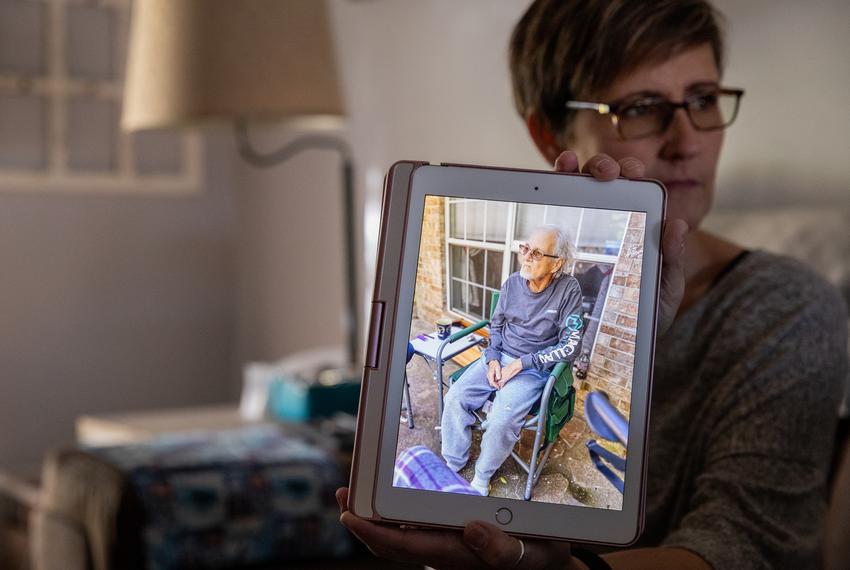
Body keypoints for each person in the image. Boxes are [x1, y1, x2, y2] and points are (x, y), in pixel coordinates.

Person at [337, 0, 849, 568]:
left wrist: (560, 568)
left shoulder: (786, 311)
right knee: (458, 396)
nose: (687, 141)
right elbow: (503, 323)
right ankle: (454, 483)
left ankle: (480, 480)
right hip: (504, 362)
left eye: (703, 100)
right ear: (546, 130)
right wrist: (498, 354)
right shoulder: (513, 282)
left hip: (532, 377)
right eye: (641, 108)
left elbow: (745, 550)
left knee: (506, 414)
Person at [441, 225, 584, 496]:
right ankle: (454, 460)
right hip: (499, 356)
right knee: (455, 398)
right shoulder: (512, 284)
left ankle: (483, 474)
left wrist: (521, 364)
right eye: (525, 248)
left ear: (557, 264)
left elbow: (570, 347)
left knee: (501, 420)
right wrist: (494, 360)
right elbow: (496, 327)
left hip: (534, 368)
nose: (527, 257)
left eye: (537, 253)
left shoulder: (569, 290)